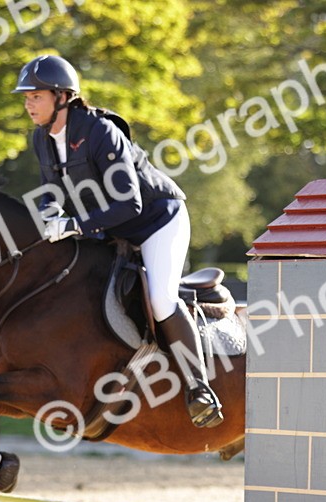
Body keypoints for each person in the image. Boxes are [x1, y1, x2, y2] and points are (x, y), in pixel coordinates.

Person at [13, 54, 223, 429]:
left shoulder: (99, 132)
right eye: (26, 97)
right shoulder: (42, 138)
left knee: (161, 300)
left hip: (158, 220)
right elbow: (51, 190)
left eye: (36, 97)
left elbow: (130, 202)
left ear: (62, 97)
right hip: (110, 228)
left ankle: (199, 388)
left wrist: (75, 225)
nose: (28, 104)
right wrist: (48, 214)